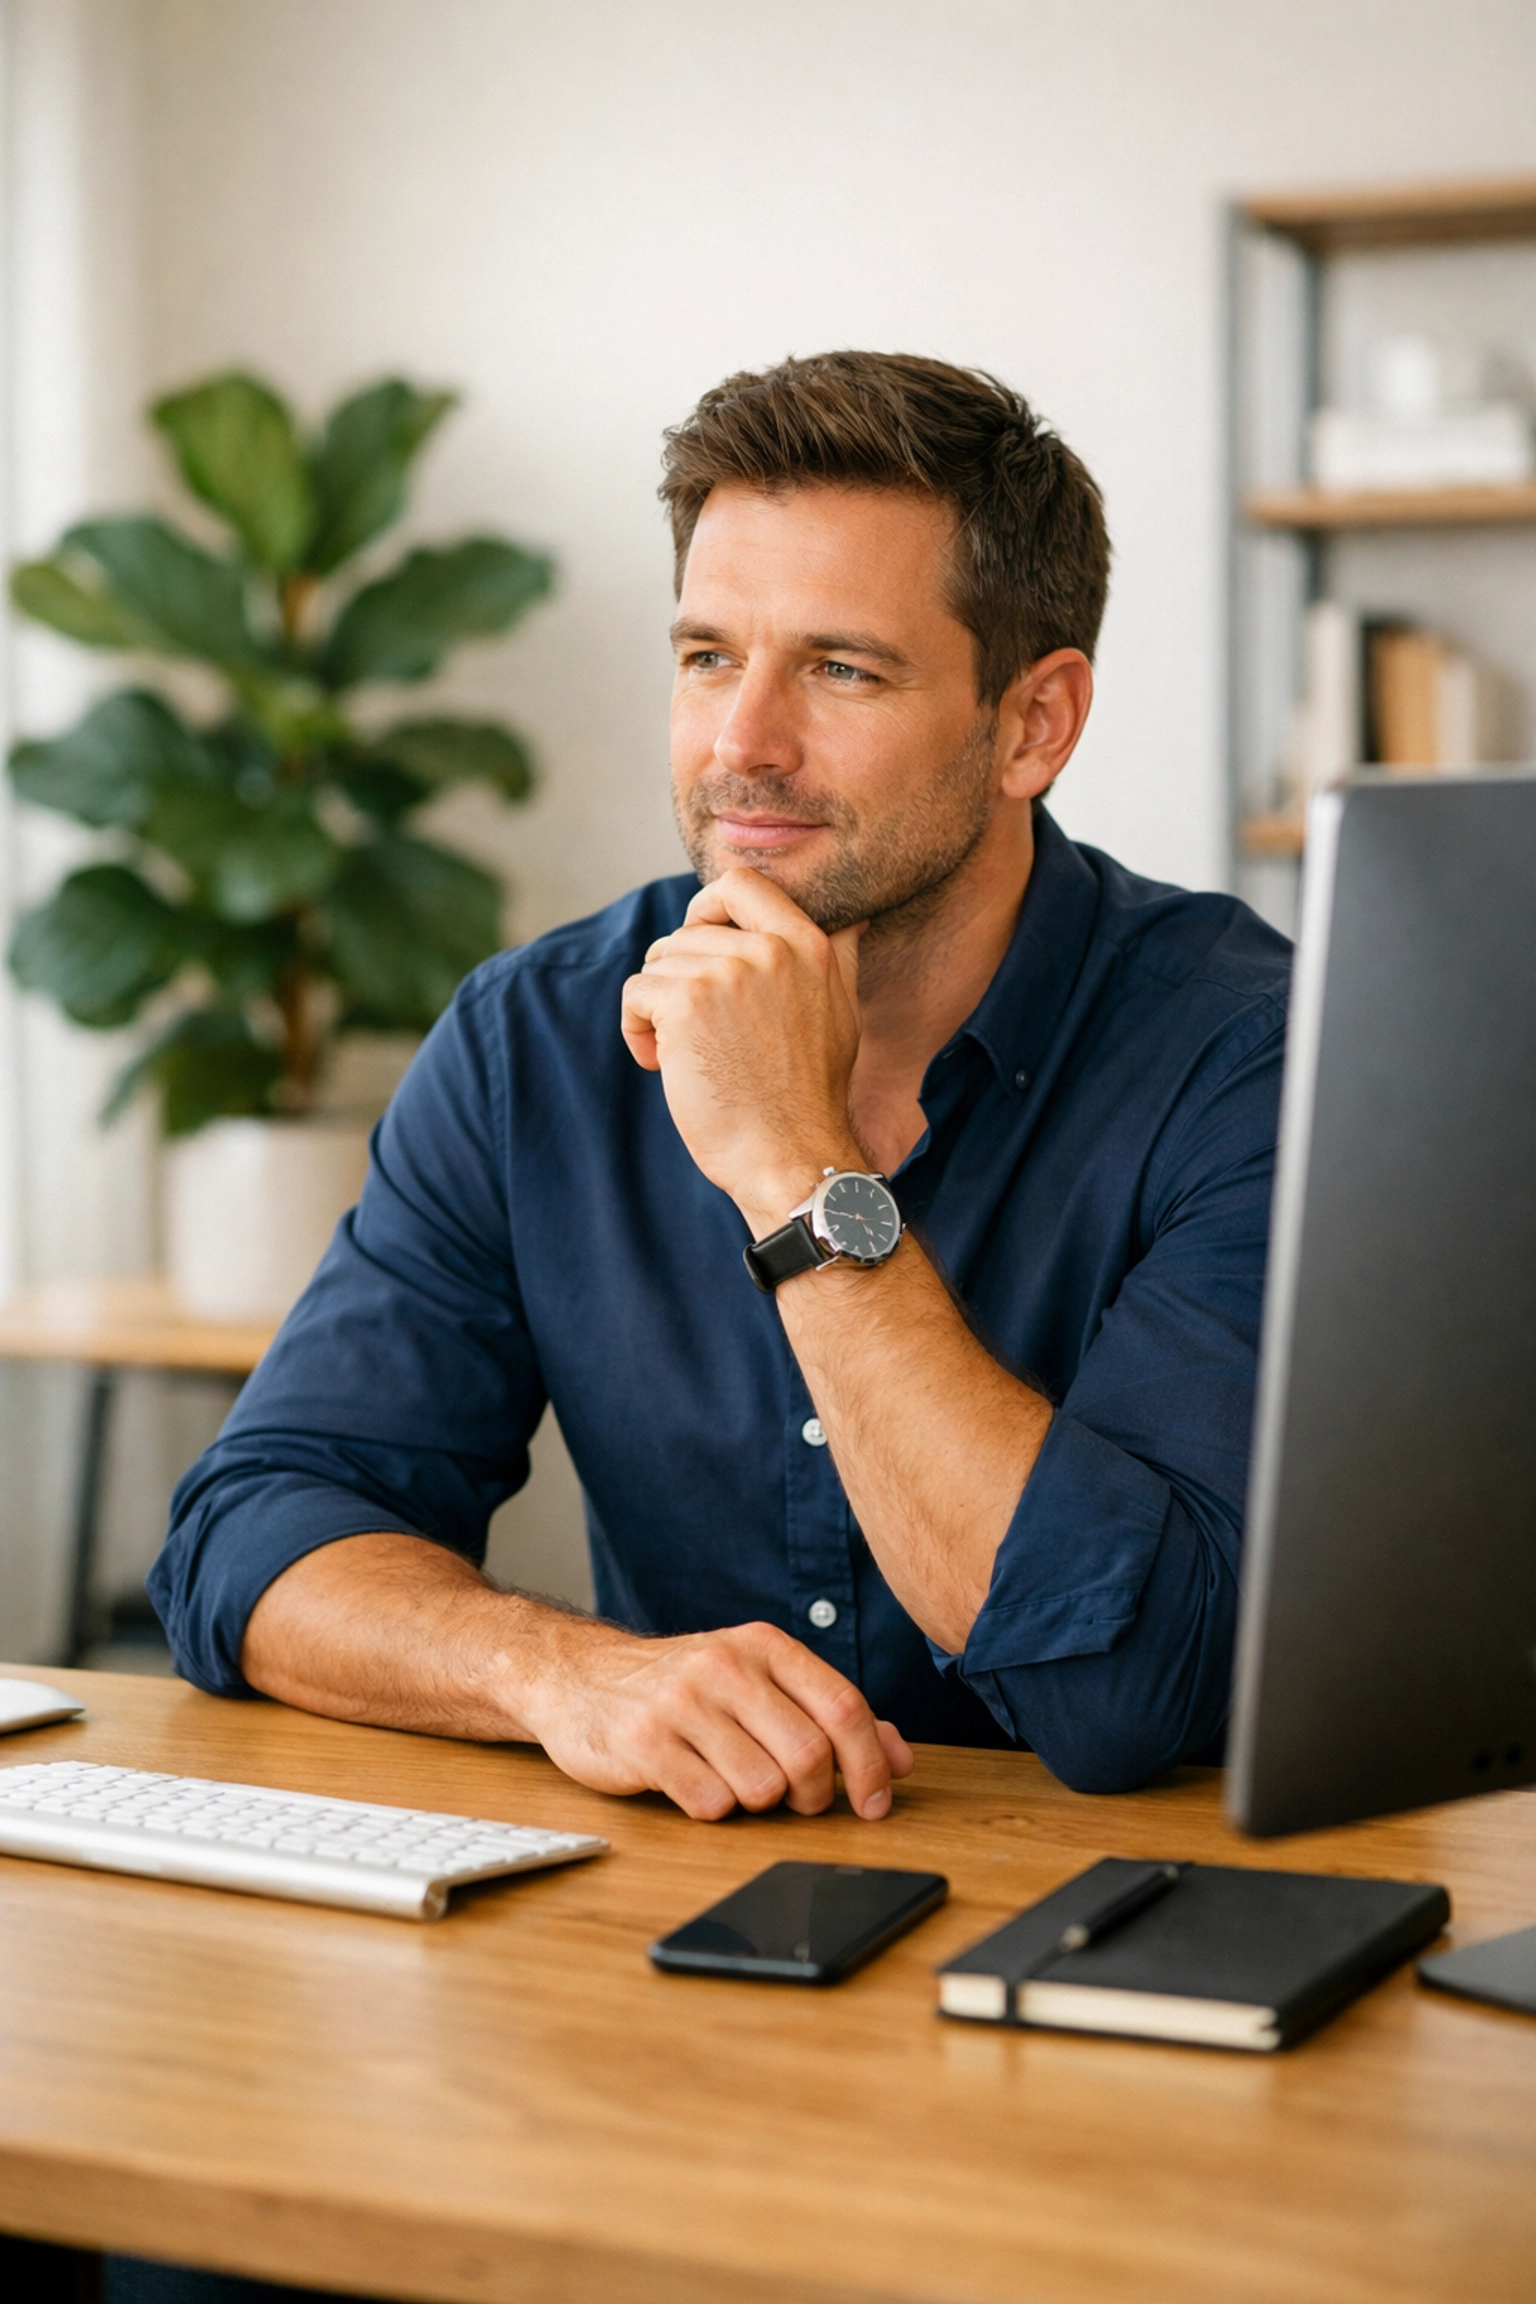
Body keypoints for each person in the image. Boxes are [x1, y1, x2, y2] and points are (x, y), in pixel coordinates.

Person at [150, 350, 1290, 1821]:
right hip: (680, 1935)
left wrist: (797, 1173)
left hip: (1139, 1942)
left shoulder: (1247, 1059)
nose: (741, 746)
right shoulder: (536, 1038)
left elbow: (1125, 1687)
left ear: (1034, 724)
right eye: (707, 658)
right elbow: (254, 1538)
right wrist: (563, 1675)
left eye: (841, 668)